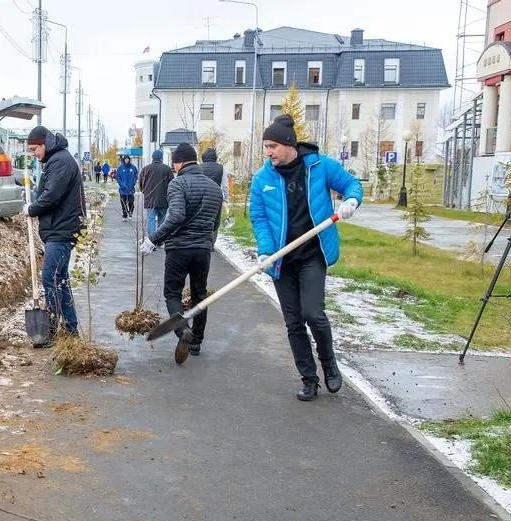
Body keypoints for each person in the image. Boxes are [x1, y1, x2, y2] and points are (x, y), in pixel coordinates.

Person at [249, 114, 363, 401]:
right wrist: (265, 250)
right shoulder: (263, 179)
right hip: (282, 260)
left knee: (313, 313)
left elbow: (352, 184)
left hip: (313, 254)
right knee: (294, 322)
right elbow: (259, 217)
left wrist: (351, 201)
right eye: (266, 147)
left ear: (289, 144)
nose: (269, 152)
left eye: (273, 146)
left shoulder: (319, 166)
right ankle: (308, 378)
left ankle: (329, 365)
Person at [139, 143, 223, 365]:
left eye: (174, 163)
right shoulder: (215, 188)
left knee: (173, 294)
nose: (173, 167)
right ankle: (196, 343)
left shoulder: (178, 184)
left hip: (178, 249)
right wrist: (206, 242)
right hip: (203, 250)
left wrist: (153, 239)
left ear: (181, 162)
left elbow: (175, 217)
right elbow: (216, 223)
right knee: (199, 295)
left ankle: (183, 330)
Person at [23, 125, 85, 343]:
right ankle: (69, 328)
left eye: (34, 149)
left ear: (44, 144)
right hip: (61, 228)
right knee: (60, 279)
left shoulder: (60, 161)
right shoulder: (58, 160)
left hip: (62, 229)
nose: (34, 154)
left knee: (51, 276)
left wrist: (32, 208)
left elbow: (52, 196)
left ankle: (56, 327)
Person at [139, 149, 173, 239]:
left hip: (150, 198)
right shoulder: (167, 169)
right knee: (162, 220)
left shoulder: (146, 169)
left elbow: (141, 183)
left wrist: (144, 191)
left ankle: (151, 239)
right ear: (161, 158)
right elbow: (172, 184)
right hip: (164, 198)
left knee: (151, 220)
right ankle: (160, 239)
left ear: (152, 158)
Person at [116, 155, 139, 222]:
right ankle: (124, 215)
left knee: (131, 202)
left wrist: (133, 184)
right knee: (123, 203)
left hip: (130, 189)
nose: (127, 160)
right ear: (123, 160)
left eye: (128, 159)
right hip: (122, 189)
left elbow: (135, 176)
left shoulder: (133, 168)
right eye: (125, 159)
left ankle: (130, 213)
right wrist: (122, 185)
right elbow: (118, 177)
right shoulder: (120, 168)